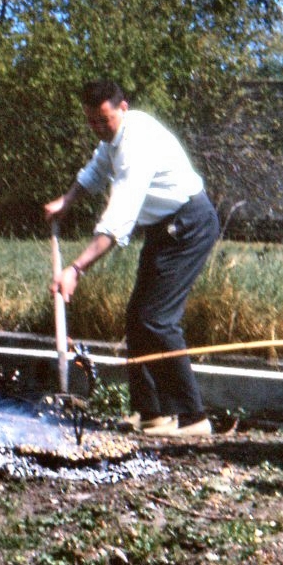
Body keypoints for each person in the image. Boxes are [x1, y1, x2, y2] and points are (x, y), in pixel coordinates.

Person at [45, 80, 219, 437]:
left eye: (104, 120)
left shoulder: (136, 145)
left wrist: (76, 269)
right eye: (91, 121)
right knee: (138, 318)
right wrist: (68, 200)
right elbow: (95, 171)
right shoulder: (113, 139)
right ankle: (152, 413)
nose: (98, 128)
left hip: (189, 224)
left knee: (157, 319)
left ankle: (193, 418)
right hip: (164, 228)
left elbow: (117, 221)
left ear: (122, 107)